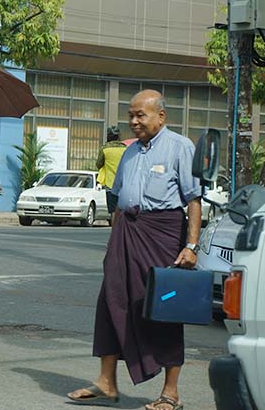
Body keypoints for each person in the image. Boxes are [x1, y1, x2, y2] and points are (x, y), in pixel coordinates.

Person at [67, 90, 201, 410]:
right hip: (126, 232)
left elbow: (193, 200)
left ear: (161, 116)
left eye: (141, 115)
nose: (134, 121)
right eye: (131, 115)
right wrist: (115, 242)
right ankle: (106, 381)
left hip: (163, 233)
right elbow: (120, 199)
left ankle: (171, 393)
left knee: (164, 307)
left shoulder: (180, 147)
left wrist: (192, 246)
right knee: (110, 300)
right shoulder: (129, 152)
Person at [95, 125, 126, 216]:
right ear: (119, 136)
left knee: (113, 211)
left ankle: (115, 229)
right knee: (123, 210)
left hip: (110, 185)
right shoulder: (125, 148)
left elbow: (98, 164)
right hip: (123, 184)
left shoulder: (104, 149)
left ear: (108, 136)